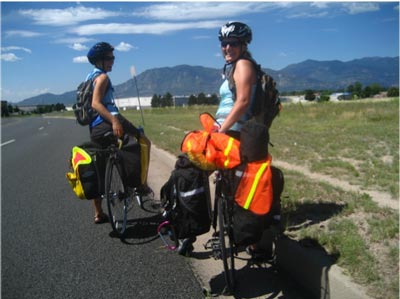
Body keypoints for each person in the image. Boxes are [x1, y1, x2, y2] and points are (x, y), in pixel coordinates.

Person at [216, 22, 273, 259]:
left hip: (236, 132)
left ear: (244, 45)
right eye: (224, 43)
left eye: (233, 43)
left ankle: (251, 236)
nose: (227, 47)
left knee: (239, 184)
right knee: (229, 182)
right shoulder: (231, 67)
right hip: (227, 128)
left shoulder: (243, 65)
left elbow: (241, 102)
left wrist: (222, 130)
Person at [85, 42, 152, 224]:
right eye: (108, 58)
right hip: (110, 119)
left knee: (100, 168)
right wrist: (114, 120)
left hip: (95, 129)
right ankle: (140, 184)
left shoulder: (90, 77)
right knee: (143, 141)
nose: (112, 61)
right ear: (99, 60)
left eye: (112, 58)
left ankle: (99, 213)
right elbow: (96, 104)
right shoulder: (103, 78)